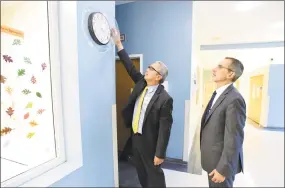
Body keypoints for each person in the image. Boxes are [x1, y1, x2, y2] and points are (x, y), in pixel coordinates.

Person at [111, 28, 173, 188]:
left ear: (159, 77)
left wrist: (160, 153)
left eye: (151, 69)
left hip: (151, 141)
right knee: (141, 172)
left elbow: (164, 129)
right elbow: (129, 66)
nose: (147, 69)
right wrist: (118, 44)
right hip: (135, 138)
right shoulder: (141, 83)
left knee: (155, 174)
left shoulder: (165, 99)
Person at [200, 57, 246, 187]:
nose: (214, 69)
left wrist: (223, 169)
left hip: (221, 165)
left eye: (219, 67)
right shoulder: (219, 94)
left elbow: (234, 137)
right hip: (213, 160)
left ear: (230, 74)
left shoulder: (234, 99)